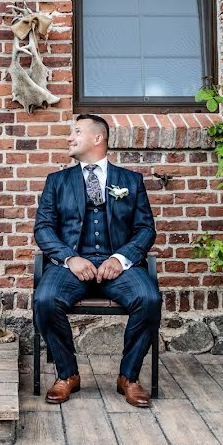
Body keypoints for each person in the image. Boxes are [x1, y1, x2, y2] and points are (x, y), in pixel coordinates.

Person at [33, 114, 160, 406]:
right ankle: (67, 375)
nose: (69, 137)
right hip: (72, 266)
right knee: (45, 299)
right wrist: (70, 258)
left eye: (76, 132)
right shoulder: (57, 181)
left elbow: (145, 229)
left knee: (149, 298)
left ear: (97, 139)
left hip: (119, 267)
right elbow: (43, 228)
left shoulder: (131, 181)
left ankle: (128, 377)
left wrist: (121, 258)